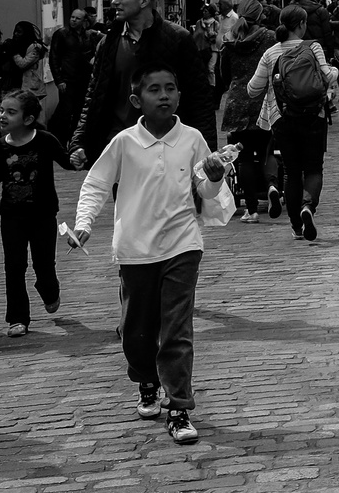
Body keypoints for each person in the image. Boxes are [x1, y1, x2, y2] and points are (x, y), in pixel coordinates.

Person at [70, 63, 235, 444]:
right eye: (154, 90)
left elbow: (206, 193)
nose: (164, 95)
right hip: (135, 249)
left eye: (171, 88)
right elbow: (96, 183)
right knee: (136, 330)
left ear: (180, 94)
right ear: (136, 99)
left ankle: (179, 407)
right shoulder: (124, 142)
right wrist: (84, 223)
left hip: (182, 245)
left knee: (177, 329)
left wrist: (213, 175)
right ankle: (146, 379)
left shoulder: (192, 138)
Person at [72, 0, 218, 166]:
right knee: (125, 197)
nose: (114, 2)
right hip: (122, 143)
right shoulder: (108, 43)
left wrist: (206, 151)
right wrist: (79, 141)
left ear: (144, 1)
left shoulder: (177, 39)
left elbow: (199, 98)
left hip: (167, 145)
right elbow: (94, 95)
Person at [0, 90, 77, 336]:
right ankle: (18, 318)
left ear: (28, 119)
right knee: (14, 267)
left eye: (11, 112)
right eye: (1, 111)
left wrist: (80, 158)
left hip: (43, 215)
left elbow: (66, 161)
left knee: (44, 265)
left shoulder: (45, 140)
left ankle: (49, 289)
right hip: (11, 217)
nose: (2, 116)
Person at [245, 5, 339, 242]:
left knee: (291, 170)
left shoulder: (271, 53)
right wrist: (335, 71)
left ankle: (296, 224)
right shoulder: (312, 46)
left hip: (282, 118)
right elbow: (328, 75)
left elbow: (252, 89)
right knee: (314, 167)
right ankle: (309, 207)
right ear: (301, 25)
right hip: (313, 115)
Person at [218, 0, 278, 223]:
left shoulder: (229, 41)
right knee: (267, 151)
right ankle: (272, 186)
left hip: (238, 103)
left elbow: (224, 75)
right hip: (263, 100)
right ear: (260, 16)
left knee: (243, 158)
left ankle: (251, 210)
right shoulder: (270, 38)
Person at [48, 8, 100, 143]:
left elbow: (91, 51)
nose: (73, 20)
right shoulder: (62, 34)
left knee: (79, 112)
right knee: (65, 111)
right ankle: (59, 140)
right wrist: (59, 80)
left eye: (77, 18)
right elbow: (54, 58)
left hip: (83, 79)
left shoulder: (88, 35)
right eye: (72, 17)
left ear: (84, 21)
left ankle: (73, 140)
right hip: (67, 79)